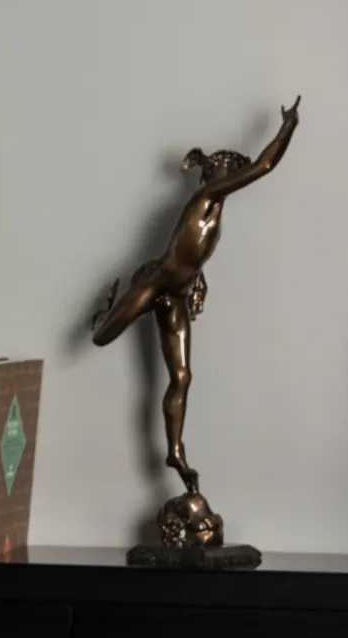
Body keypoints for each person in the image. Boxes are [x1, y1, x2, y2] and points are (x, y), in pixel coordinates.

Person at [90, 96, 300, 493]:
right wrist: (288, 126)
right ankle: (104, 312)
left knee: (182, 377)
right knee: (101, 338)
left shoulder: (214, 211)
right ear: (215, 173)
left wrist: (199, 280)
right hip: (156, 281)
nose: (236, 174)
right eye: (230, 167)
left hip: (177, 295)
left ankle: (174, 450)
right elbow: (263, 166)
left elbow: (191, 251)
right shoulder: (205, 197)